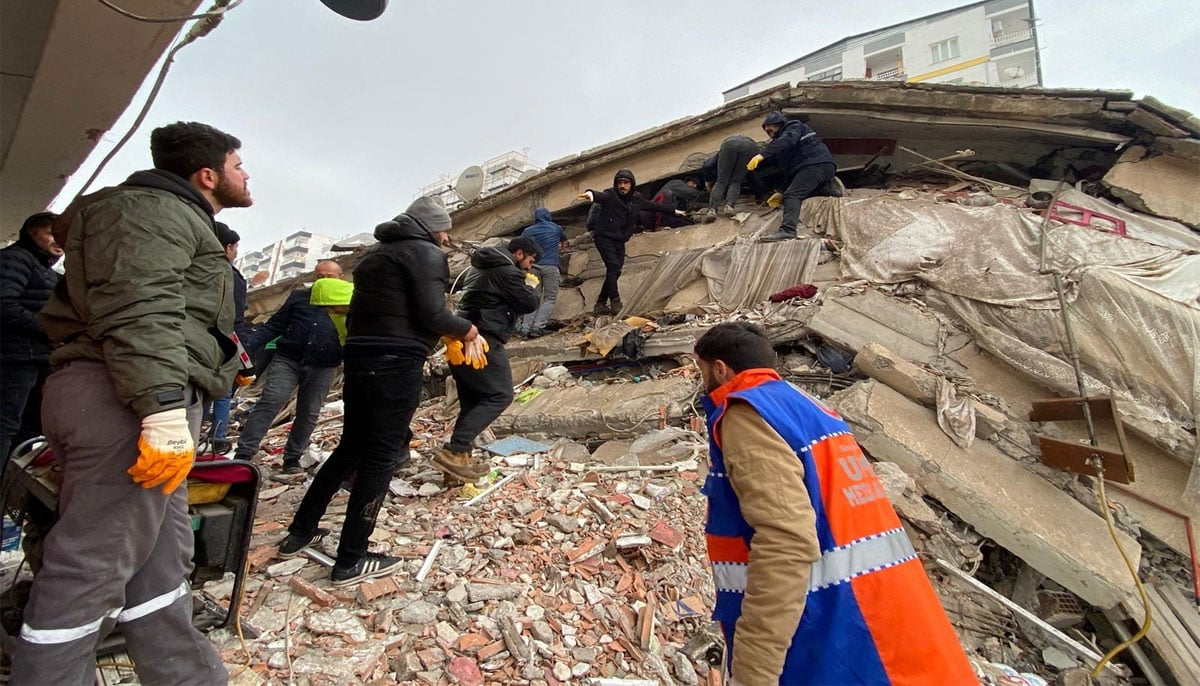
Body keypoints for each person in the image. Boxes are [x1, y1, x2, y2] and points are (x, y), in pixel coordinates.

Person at [13, 121, 249, 685]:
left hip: (134, 395)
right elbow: (140, 306)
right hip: (124, 399)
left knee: (160, 558)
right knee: (92, 566)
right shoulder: (151, 211)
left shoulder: (172, 216)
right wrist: (163, 407)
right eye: (240, 165)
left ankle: (184, 676)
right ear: (208, 174)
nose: (247, 175)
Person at [693, 322, 975, 685]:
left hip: (843, 633)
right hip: (896, 619)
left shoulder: (747, 413)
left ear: (720, 369)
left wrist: (753, 670)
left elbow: (786, 541)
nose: (701, 382)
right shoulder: (808, 407)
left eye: (701, 371)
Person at [278, 197, 478, 586]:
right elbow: (431, 313)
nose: (447, 236)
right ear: (432, 228)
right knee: (381, 457)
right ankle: (351, 558)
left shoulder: (373, 255)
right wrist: (466, 330)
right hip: (396, 360)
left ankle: (300, 533)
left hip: (360, 356)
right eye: (444, 229)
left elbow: (358, 311)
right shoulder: (426, 254)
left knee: (349, 447)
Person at [439, 237, 541, 483]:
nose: (529, 266)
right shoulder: (507, 272)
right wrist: (529, 285)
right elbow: (529, 304)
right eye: (530, 260)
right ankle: (455, 451)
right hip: (482, 340)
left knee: (473, 399)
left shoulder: (478, 268)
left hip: (461, 338)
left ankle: (458, 463)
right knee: (500, 395)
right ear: (518, 253)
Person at [234, 260, 345, 478]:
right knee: (271, 400)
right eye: (319, 276)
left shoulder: (347, 301)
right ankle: (244, 453)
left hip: (324, 364)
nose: (323, 281)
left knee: (309, 411)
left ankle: (292, 458)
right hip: (289, 358)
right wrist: (245, 349)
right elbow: (275, 325)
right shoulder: (299, 297)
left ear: (341, 279)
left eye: (329, 277)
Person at [0, 212, 61, 467]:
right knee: (6, 423)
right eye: (50, 232)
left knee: (32, 425)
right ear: (31, 233)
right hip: (14, 356)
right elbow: (4, 305)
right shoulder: (15, 259)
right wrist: (50, 329)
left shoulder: (47, 271)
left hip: (36, 357)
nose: (57, 240)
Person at [579, 169, 684, 315]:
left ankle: (600, 303)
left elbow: (654, 206)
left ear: (632, 184)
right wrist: (590, 193)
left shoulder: (636, 199)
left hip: (620, 239)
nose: (622, 186)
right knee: (613, 266)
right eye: (619, 183)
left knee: (616, 271)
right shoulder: (610, 195)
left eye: (626, 182)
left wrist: (674, 211)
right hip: (604, 236)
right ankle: (615, 301)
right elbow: (599, 196)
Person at [749, 111, 837, 242]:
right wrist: (781, 192)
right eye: (765, 127)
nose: (767, 129)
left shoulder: (793, 127)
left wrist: (762, 154)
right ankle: (828, 189)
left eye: (770, 126)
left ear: (780, 123)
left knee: (793, 195)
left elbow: (788, 140)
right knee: (794, 192)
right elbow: (789, 172)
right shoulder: (781, 147)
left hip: (816, 164)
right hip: (813, 168)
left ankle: (788, 231)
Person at [207, 221, 249, 454]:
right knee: (222, 392)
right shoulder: (230, 276)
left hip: (200, 339)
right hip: (224, 339)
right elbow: (235, 316)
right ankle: (217, 437)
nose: (236, 252)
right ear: (228, 247)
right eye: (235, 247)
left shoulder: (196, 266)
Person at [517, 208, 567, 338]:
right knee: (549, 298)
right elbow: (563, 243)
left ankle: (525, 329)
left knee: (533, 297)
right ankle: (538, 328)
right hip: (551, 266)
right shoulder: (556, 228)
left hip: (532, 267)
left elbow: (521, 248)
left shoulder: (527, 231)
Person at [696, 135, 762, 222]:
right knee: (736, 181)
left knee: (721, 181)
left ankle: (712, 210)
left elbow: (708, 164)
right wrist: (759, 195)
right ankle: (729, 207)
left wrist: (708, 182)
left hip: (730, 143)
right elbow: (753, 178)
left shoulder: (717, 157)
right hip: (752, 148)